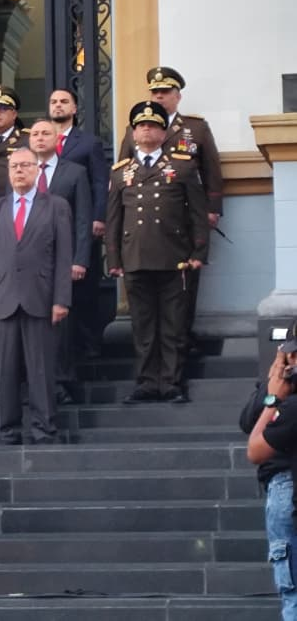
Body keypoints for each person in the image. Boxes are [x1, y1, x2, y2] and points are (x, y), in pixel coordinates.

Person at [106, 101, 209, 404]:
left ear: (164, 132)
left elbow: (198, 215)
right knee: (143, 326)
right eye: (141, 125)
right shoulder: (121, 172)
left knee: (173, 325)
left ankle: (172, 383)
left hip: (173, 257)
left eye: (153, 125)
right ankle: (147, 383)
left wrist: (198, 253)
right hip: (135, 258)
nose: (146, 129)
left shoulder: (182, 165)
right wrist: (114, 259)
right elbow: (113, 218)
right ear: (133, 133)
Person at [117, 67, 223, 354]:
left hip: (187, 218)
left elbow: (211, 169)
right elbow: (125, 173)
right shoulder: (135, 129)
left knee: (184, 286)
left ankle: (183, 338)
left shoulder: (195, 128)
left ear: (177, 96)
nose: (159, 96)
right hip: (147, 227)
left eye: (165, 92)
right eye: (155, 92)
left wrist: (212, 209)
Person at [0, 147, 73, 445]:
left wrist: (61, 299)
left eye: (25, 166)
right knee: (5, 370)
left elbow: (63, 256)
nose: (19, 171)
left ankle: (44, 426)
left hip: (41, 298)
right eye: (15, 166)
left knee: (41, 369)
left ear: (37, 170)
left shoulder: (55, 206)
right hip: (3, 298)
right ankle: (9, 428)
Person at [28, 119, 93, 404]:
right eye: (35, 134)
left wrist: (79, 259)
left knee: (61, 326)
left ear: (57, 139)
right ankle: (34, 384)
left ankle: (63, 383)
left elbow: (83, 219)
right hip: (29, 263)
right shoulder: (21, 171)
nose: (40, 138)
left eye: (46, 133)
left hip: (62, 260)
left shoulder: (75, 173)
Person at [47, 88, 109, 360]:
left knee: (83, 289)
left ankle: (89, 344)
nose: (58, 106)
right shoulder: (39, 141)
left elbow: (99, 182)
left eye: (63, 102)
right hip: (47, 229)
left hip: (79, 225)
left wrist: (98, 216)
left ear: (74, 108)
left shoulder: (88, 143)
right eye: (53, 102)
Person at [244, 328, 297, 620]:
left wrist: (275, 400)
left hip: (287, 485)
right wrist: (272, 383)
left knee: (293, 594)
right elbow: (246, 418)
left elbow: (255, 449)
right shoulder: (284, 382)